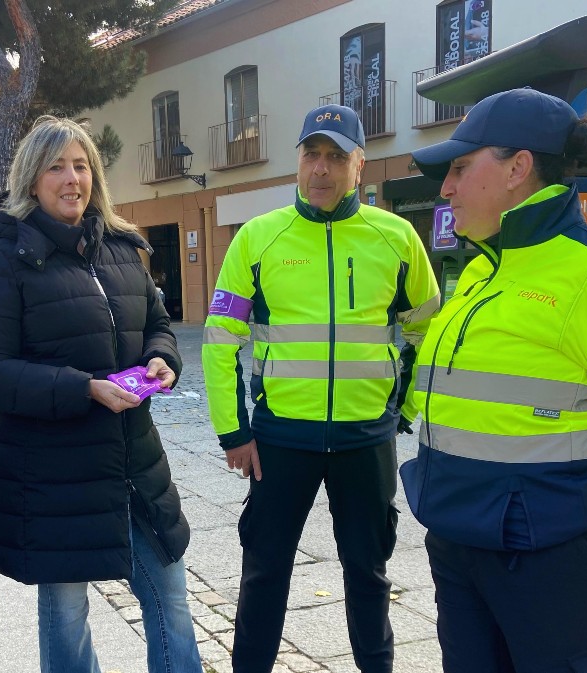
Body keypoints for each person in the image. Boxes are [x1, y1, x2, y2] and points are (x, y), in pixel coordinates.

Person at [402, 88, 587, 672]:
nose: (446, 188)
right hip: (459, 538)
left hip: (551, 555)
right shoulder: (482, 272)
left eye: (462, 168)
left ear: (519, 168)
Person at [0, 116, 201, 673]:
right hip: (51, 475)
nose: (72, 179)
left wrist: (164, 358)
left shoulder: (121, 247)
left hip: (135, 463)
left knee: (171, 598)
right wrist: (81, 389)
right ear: (31, 179)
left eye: (82, 165)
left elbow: (158, 321)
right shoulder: (0, 259)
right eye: (56, 167)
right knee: (67, 612)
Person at [202, 104, 440, 673]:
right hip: (281, 440)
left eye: (337, 156)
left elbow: (427, 330)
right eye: (313, 155)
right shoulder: (258, 238)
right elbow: (218, 339)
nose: (323, 169)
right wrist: (233, 431)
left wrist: (399, 408)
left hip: (365, 440)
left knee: (368, 571)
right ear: (298, 163)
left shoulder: (397, 238)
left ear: (361, 165)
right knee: (264, 571)